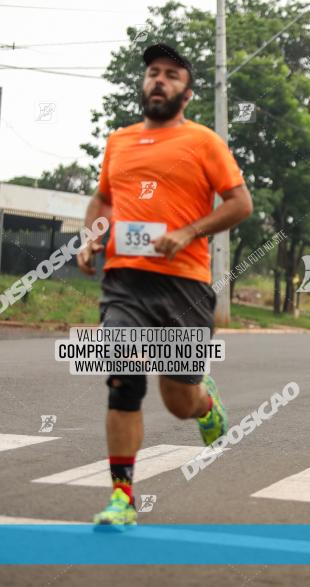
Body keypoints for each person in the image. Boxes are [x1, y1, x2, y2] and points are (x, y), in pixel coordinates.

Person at [76, 44, 253, 528]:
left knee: (179, 402)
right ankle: (122, 498)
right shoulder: (119, 141)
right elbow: (102, 200)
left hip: (185, 285)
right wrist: (91, 238)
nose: (159, 80)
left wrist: (190, 231)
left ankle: (205, 402)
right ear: (144, 83)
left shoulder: (204, 142)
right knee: (123, 377)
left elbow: (240, 204)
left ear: (187, 93)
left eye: (171, 75)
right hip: (125, 282)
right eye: (153, 73)